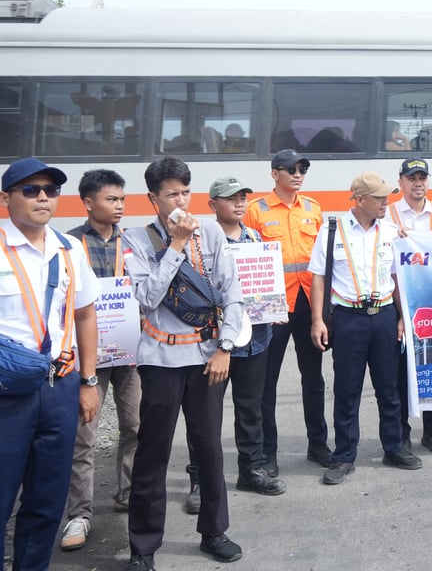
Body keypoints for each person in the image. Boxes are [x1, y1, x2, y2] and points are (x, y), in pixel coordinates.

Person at [0, 157, 101, 571]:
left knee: (48, 500)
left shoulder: (70, 250)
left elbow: (85, 315)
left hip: (59, 389)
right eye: (30, 190)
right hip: (1, 396)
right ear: (4, 198)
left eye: (51, 190)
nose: (43, 197)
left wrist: (88, 382)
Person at [121, 157, 245, 569]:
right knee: (153, 451)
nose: (181, 201)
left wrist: (225, 347)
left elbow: (233, 293)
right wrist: (175, 246)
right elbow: (146, 298)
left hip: (208, 356)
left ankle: (214, 531)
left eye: (186, 192)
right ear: (153, 198)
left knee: (209, 448)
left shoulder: (210, 232)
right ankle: (143, 547)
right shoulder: (137, 239)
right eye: (172, 193)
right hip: (160, 360)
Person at [308, 172, 423, 485]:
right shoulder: (332, 231)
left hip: (384, 316)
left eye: (387, 197)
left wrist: (403, 317)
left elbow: (398, 277)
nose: (386, 203)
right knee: (347, 391)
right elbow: (318, 277)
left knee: (389, 388)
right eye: (379, 198)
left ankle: (394, 447)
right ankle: (344, 456)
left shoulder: (392, 232)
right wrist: (317, 320)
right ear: (360, 200)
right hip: (349, 319)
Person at [187, 177, 285, 498]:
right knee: (205, 414)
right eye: (231, 198)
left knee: (250, 409)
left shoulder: (254, 237)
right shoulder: (199, 241)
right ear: (212, 205)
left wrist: (273, 304)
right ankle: (200, 478)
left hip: (255, 339)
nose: (240, 203)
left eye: (243, 197)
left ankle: (251, 470)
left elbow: (266, 281)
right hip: (214, 341)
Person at [61, 169, 142, 552]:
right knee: (84, 435)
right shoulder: (69, 245)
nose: (119, 206)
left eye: (122, 199)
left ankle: (128, 493)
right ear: (88, 203)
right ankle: (79, 514)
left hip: (129, 352)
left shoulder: (134, 243)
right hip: (86, 355)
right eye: (111, 199)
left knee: (136, 426)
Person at [245, 149, 329, 476]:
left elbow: (321, 261)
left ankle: (318, 444)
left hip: (308, 302)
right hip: (273, 305)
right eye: (291, 169)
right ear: (274, 173)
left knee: (314, 378)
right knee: (267, 382)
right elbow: (248, 261)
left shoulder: (313, 208)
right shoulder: (257, 211)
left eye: (302, 169)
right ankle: (268, 452)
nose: (297, 175)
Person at [381, 158, 432, 453]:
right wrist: (401, 313)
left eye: (422, 177)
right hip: (397, 300)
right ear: (401, 182)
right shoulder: (387, 216)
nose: (418, 183)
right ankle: (401, 432)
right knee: (399, 371)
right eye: (412, 178)